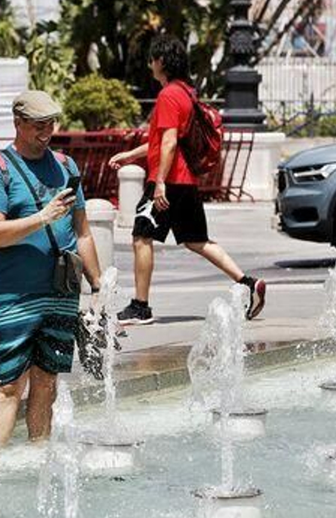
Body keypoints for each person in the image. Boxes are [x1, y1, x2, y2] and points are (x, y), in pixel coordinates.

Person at [106, 34, 266, 325]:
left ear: (162, 62)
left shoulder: (168, 95)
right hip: (186, 180)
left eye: (152, 59)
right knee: (197, 240)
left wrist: (160, 183)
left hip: (169, 182)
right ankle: (248, 283)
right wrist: (131, 155)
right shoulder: (186, 92)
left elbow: (168, 144)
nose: (150, 65)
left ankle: (140, 307)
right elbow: (165, 142)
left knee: (141, 237)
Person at [0, 90, 103, 450]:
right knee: (8, 385)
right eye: (37, 125)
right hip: (12, 294)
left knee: (47, 380)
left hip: (61, 290)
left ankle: (39, 458)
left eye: (51, 124)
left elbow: (83, 232)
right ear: (17, 123)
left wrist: (98, 284)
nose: (46, 132)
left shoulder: (66, 166)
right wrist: (42, 218)